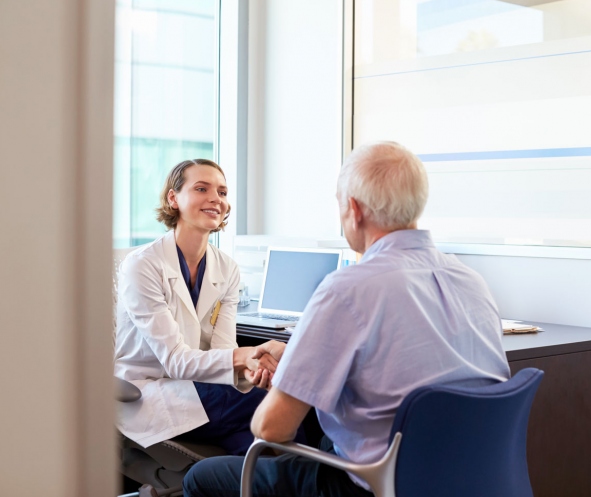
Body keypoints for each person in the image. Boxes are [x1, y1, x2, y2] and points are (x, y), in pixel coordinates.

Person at [182, 141, 511, 497]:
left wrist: (292, 375)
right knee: (325, 439)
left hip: (377, 485)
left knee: (203, 478)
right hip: (470, 479)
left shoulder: (347, 289)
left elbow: (271, 429)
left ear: (354, 210)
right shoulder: (471, 281)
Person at [114, 159, 280, 454]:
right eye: (202, 188)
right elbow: (176, 362)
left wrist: (252, 369)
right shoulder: (143, 266)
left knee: (267, 448)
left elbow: (223, 349)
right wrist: (246, 356)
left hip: (203, 388)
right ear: (173, 198)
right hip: (149, 391)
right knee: (274, 405)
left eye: (223, 192)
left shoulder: (227, 268)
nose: (216, 198)